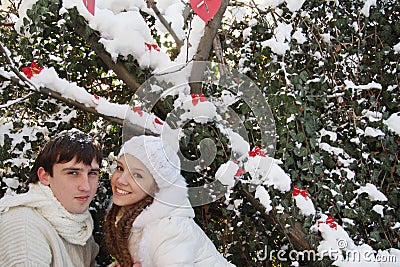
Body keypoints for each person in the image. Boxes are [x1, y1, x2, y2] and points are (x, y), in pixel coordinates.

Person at [104, 135, 235, 267]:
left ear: (156, 186)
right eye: (120, 168)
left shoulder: (169, 227)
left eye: (137, 175)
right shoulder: (130, 215)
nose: (121, 180)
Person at [0, 129, 102, 266]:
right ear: (45, 176)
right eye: (73, 173)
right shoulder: (24, 227)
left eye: (92, 173)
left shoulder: (77, 223)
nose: (86, 186)